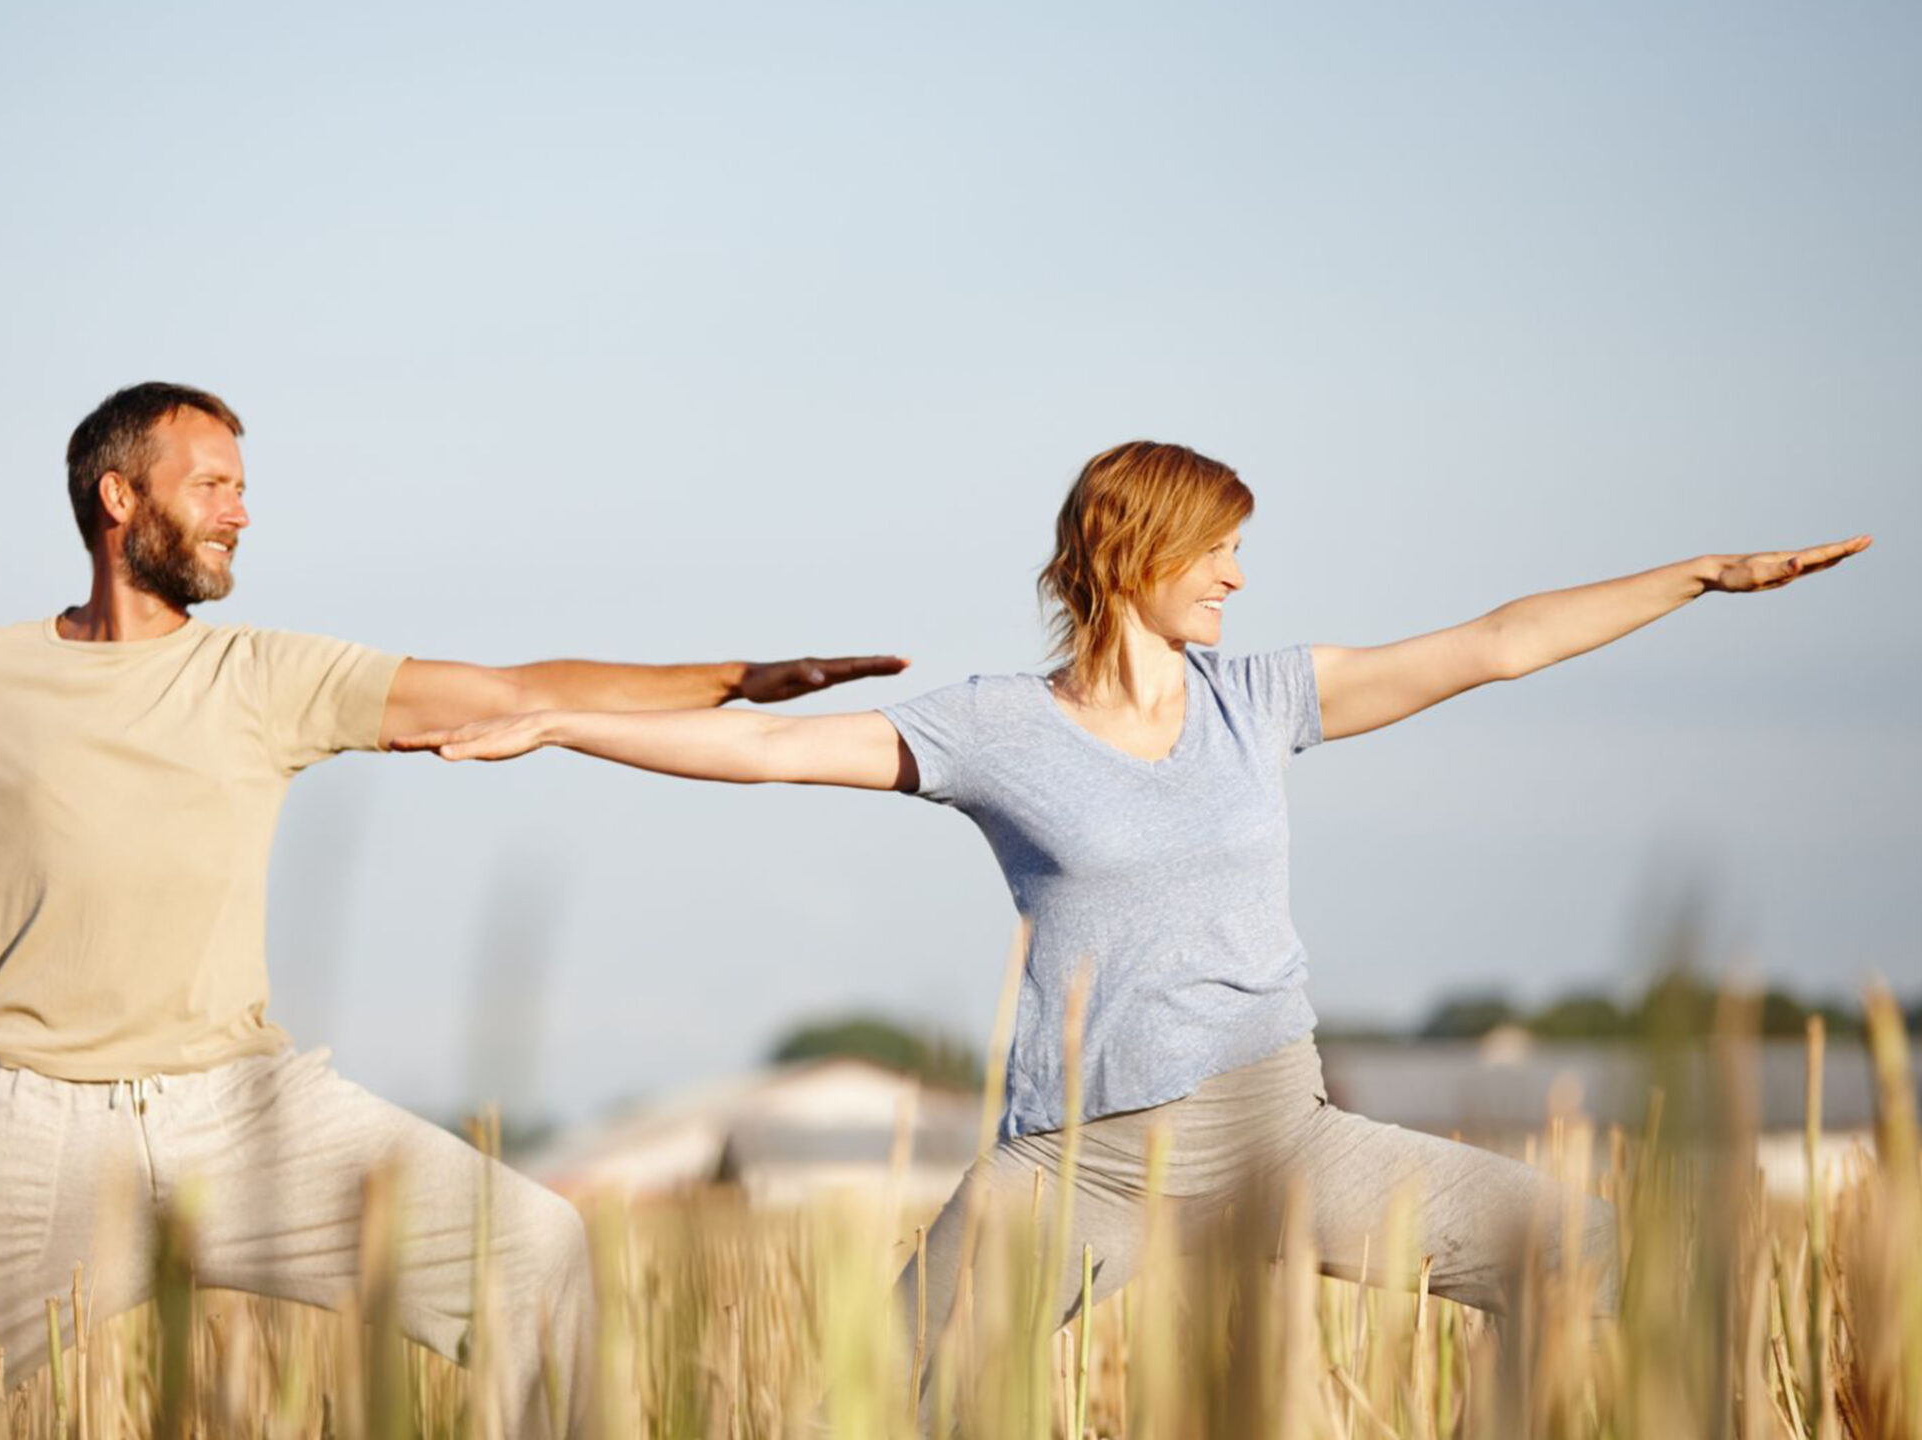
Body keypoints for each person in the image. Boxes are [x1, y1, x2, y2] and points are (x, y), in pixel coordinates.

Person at [0, 381, 906, 1439]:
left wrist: (730, 678)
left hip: (250, 1115)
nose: (243, 509)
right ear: (118, 499)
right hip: (31, 1146)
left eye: (245, 484)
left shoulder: (268, 675)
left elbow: (513, 689)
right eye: (215, 481)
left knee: (541, 1256)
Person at [396, 439, 1869, 1384]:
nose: (1240, 570)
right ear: (1131, 551)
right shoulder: (992, 731)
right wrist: (560, 721)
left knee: (1575, 1250)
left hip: (1277, 1134)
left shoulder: (1264, 698)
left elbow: (1488, 644)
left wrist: (1698, 576)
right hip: (1081, 1166)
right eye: (1216, 544)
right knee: (898, 1407)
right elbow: (773, 751)